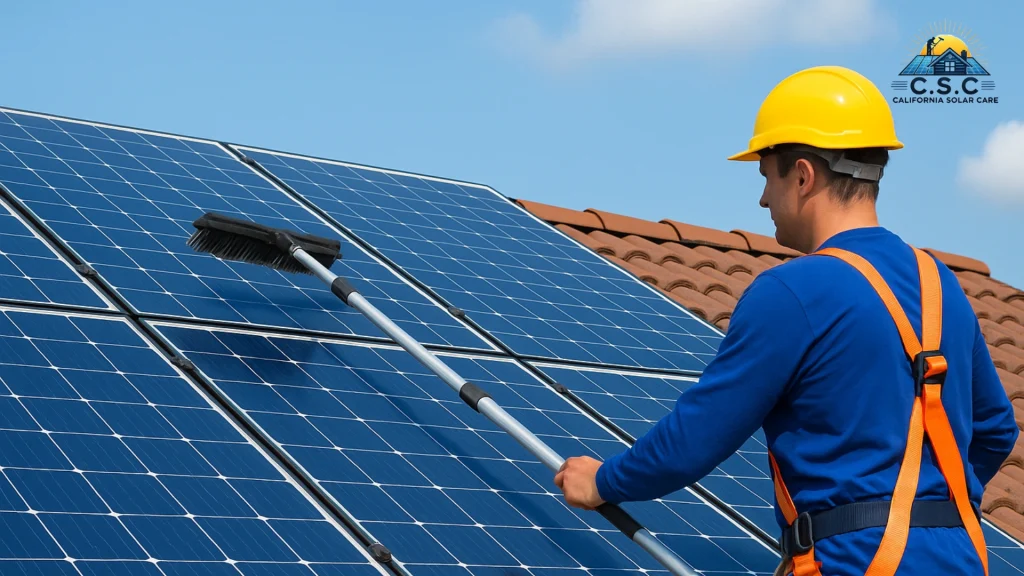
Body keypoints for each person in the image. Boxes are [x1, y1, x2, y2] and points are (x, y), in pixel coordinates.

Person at [553, 66, 1018, 576]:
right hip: (963, 558)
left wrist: (603, 482)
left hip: (855, 563)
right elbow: (995, 429)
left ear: (802, 175)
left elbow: (697, 437)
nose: (762, 200)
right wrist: (924, 516)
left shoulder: (793, 291)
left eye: (766, 178)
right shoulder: (940, 283)